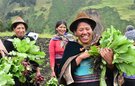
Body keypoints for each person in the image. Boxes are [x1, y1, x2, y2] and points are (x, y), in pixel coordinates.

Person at [58, 11, 114, 86]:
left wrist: (110, 63)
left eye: (87, 29)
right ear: (75, 33)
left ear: (92, 30)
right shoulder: (71, 47)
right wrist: (81, 57)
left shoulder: (101, 45)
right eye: (81, 30)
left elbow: (113, 71)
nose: (85, 32)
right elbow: (63, 73)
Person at [3, 16, 43, 86]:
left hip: (29, 73)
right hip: (15, 75)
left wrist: (38, 71)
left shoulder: (31, 40)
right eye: (18, 28)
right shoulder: (8, 42)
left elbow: (36, 58)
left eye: (23, 28)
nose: (21, 30)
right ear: (14, 29)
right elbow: (5, 59)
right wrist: (19, 62)